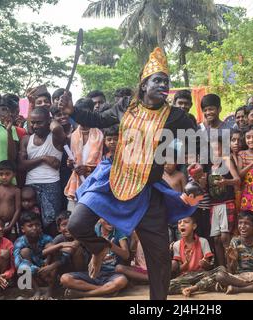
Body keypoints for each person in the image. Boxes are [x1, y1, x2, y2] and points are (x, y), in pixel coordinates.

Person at [60, 48, 201, 300]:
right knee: (77, 223)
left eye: (166, 82)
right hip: (113, 181)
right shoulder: (126, 106)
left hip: (148, 191)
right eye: (157, 80)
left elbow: (195, 146)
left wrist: (195, 168)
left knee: (159, 257)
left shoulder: (177, 117)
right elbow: (97, 118)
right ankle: (100, 249)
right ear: (144, 84)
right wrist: (72, 112)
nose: (163, 85)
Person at [19, 107, 66, 236]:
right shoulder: (26, 139)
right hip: (30, 186)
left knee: (51, 222)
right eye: (32, 122)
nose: (35, 126)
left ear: (48, 121)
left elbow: (57, 128)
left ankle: (52, 250)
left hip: (51, 184)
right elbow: (22, 165)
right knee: (31, 223)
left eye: (39, 122)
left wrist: (51, 119)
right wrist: (43, 158)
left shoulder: (55, 138)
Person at [60, 218, 129, 298]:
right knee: (65, 279)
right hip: (92, 274)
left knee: (122, 281)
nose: (110, 220)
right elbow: (75, 244)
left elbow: (126, 255)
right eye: (106, 217)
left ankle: (84, 294)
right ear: (99, 219)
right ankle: (105, 290)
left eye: (112, 217)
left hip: (111, 273)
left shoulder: (119, 231)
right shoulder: (92, 230)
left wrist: (109, 244)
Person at [64, 99, 104, 212]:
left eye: (85, 113)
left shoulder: (102, 134)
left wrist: (87, 168)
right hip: (76, 184)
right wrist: (70, 163)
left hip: (96, 184)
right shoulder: (73, 136)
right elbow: (72, 163)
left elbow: (107, 163)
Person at [168, 216, 222, 297]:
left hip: (201, 275)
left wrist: (205, 264)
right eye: (179, 223)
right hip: (185, 277)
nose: (182, 224)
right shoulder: (176, 244)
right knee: (167, 285)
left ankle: (192, 288)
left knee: (221, 270)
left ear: (194, 226)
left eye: (186, 222)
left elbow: (209, 267)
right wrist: (186, 263)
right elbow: (179, 269)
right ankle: (198, 287)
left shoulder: (203, 241)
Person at [207, 137, 240, 266]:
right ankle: (221, 268)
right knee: (216, 239)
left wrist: (226, 182)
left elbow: (237, 180)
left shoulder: (226, 161)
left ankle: (231, 267)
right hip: (213, 205)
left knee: (225, 237)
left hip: (226, 202)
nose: (214, 151)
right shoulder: (209, 167)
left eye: (217, 148)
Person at [14, 211, 55, 299]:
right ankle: (36, 290)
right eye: (30, 226)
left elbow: (57, 257)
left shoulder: (47, 238)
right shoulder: (19, 242)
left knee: (51, 247)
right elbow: (17, 264)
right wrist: (37, 269)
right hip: (32, 274)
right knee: (24, 253)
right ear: (22, 229)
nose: (35, 228)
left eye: (37, 225)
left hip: (46, 272)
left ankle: (50, 290)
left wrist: (46, 266)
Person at [0, 160, 21, 240]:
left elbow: (18, 209)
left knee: (12, 240)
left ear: (14, 174)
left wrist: (10, 225)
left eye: (7, 174)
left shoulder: (16, 190)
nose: (4, 177)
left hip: (11, 222)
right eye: (1, 174)